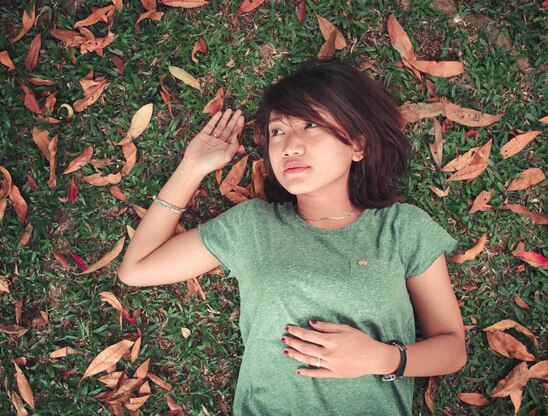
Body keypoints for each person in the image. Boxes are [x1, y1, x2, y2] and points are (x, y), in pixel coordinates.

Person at [119, 57, 466, 415]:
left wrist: (382, 357)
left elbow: (453, 348)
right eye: (277, 131)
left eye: (310, 124)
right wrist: (192, 167)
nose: (289, 146)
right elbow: (137, 269)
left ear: (358, 145)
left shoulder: (400, 229)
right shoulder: (252, 227)